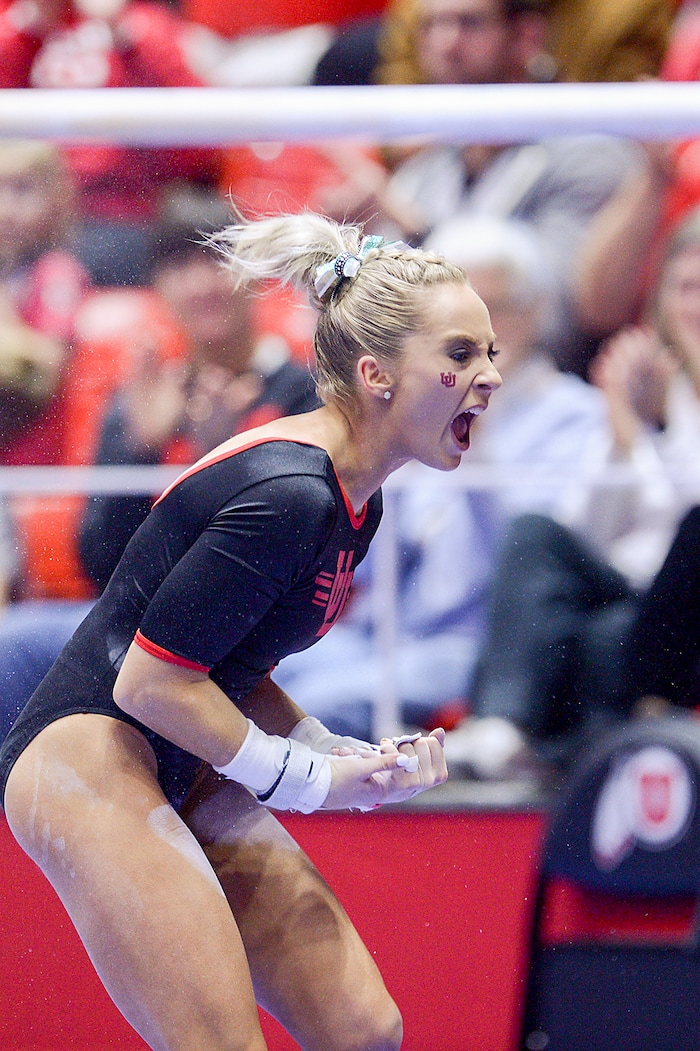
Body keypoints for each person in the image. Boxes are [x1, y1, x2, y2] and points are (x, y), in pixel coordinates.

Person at [0, 211, 495, 1050]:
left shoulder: (354, 500)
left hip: (181, 750)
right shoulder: (289, 494)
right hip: (91, 752)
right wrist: (305, 779)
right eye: (459, 355)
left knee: (365, 1030)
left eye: (490, 354)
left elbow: (227, 660)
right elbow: (150, 681)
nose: (487, 376)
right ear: (375, 373)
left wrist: (331, 748)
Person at [273, 214, 608, 743]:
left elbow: (531, 567)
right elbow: (360, 566)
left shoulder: (577, 416)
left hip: (475, 646)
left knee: (309, 705)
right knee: (254, 670)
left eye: (496, 309)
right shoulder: (416, 408)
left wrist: (480, 445)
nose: (479, 333)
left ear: (537, 312)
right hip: (382, 632)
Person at [445, 202, 700, 781]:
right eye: (683, 287)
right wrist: (621, 431)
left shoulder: (664, 398)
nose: (694, 305)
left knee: (608, 635)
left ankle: (588, 769)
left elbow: (690, 527)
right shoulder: (657, 386)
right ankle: (501, 726)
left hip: (683, 604)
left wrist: (645, 436)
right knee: (536, 534)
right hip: (631, 583)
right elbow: (590, 525)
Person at [314, 0, 642, 376]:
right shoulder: (430, 161)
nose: (445, 43)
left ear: (526, 35)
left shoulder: (591, 152)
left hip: (546, 397)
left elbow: (556, 318)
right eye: (431, 25)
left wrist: (412, 226)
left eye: (468, 24)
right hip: (431, 388)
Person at [0, 0, 222, 285]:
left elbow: (201, 143)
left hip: (117, 217)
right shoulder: (15, 25)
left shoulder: (146, 27)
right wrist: (27, 33)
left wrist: (126, 38)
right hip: (21, 211)